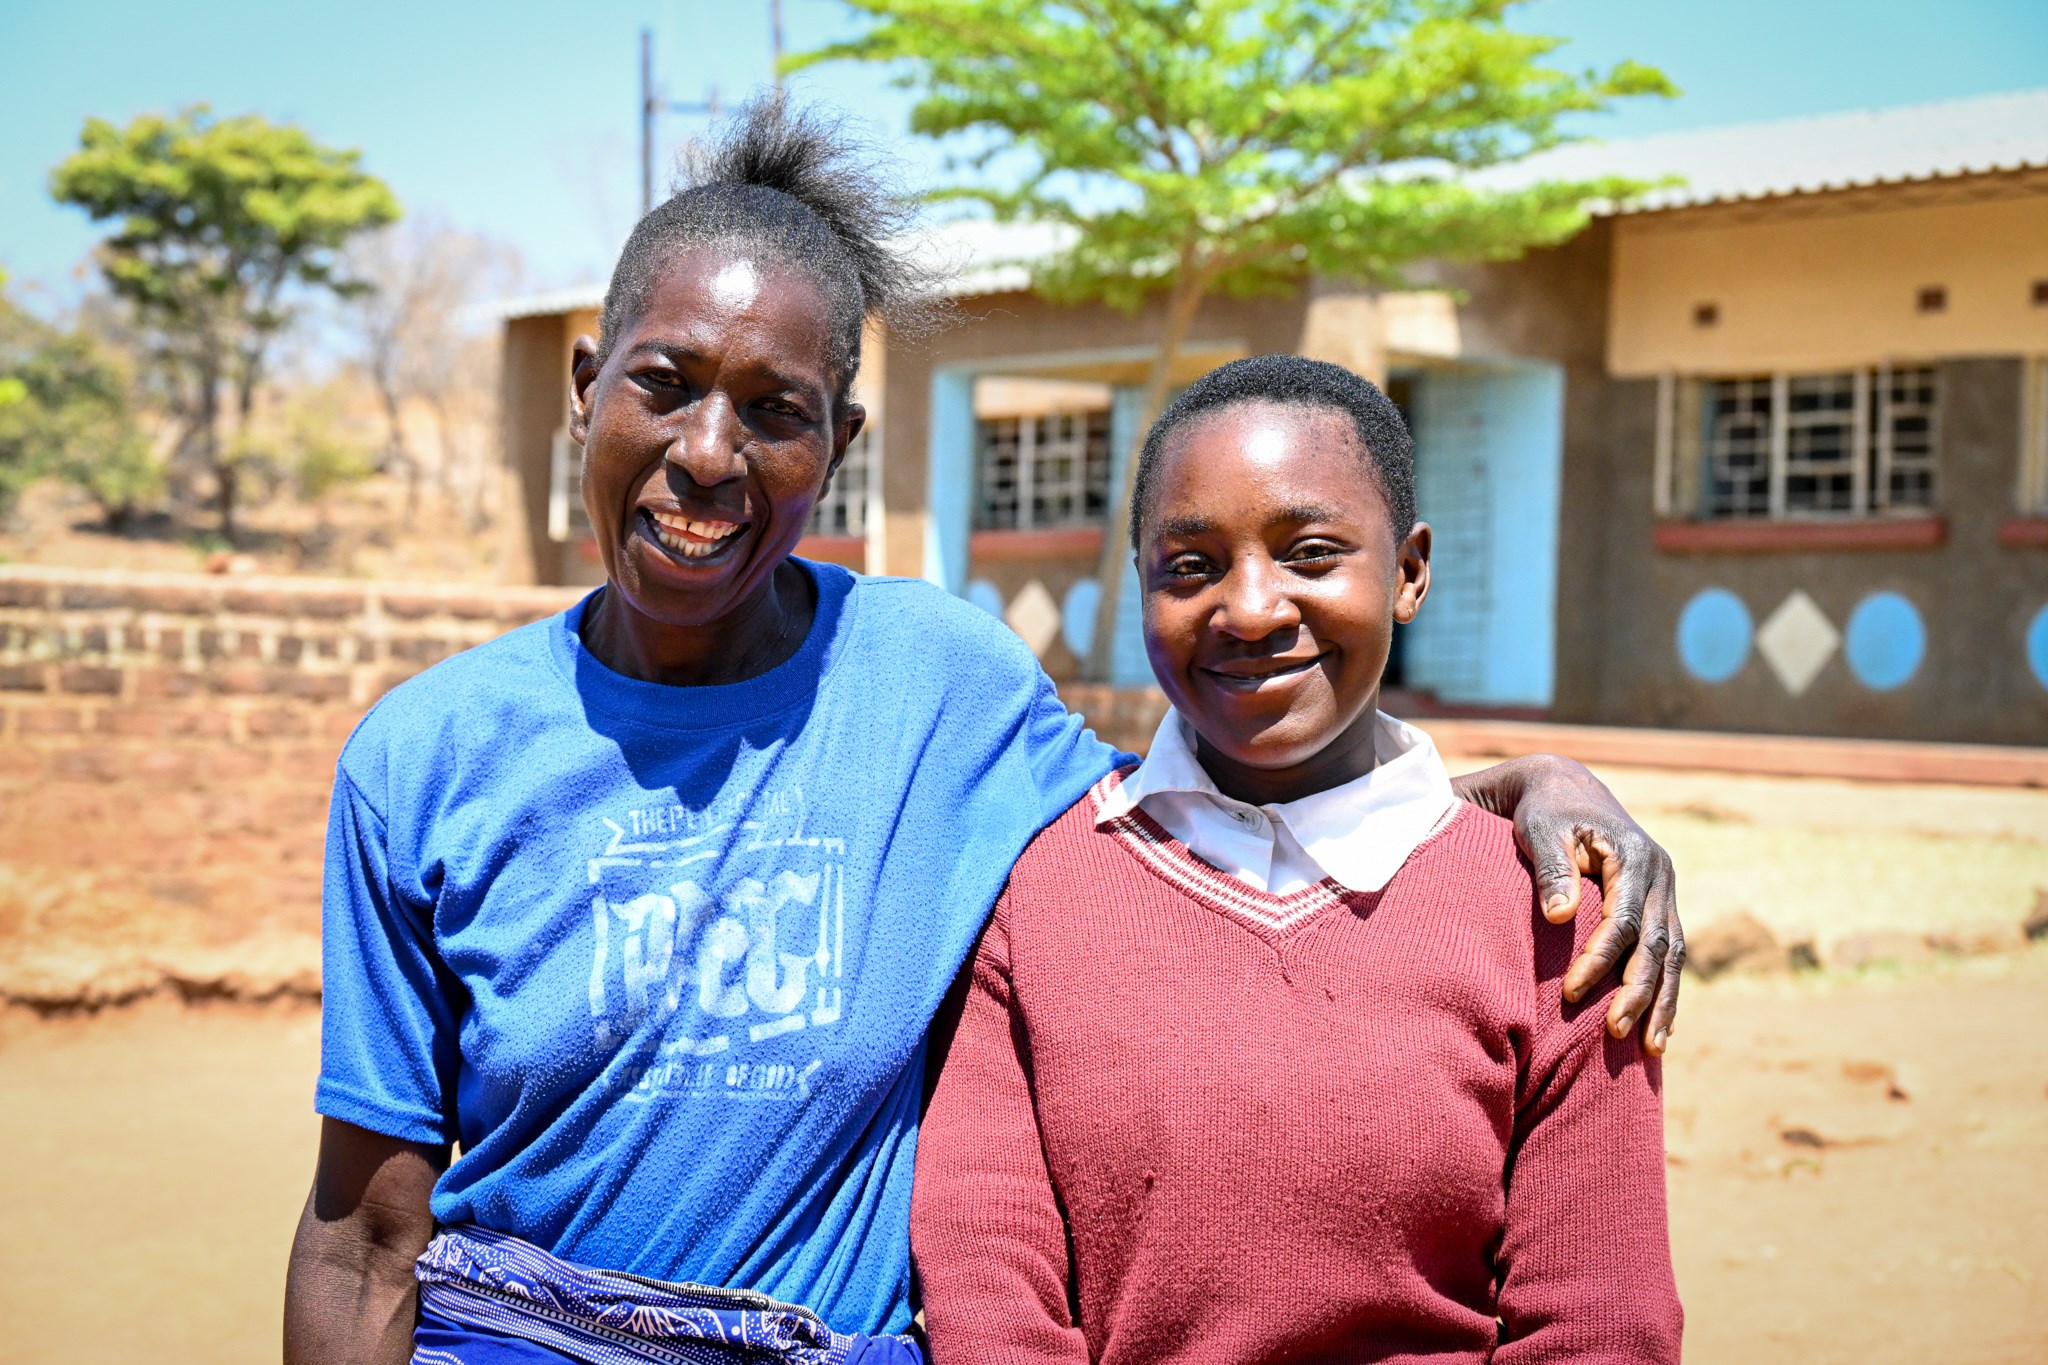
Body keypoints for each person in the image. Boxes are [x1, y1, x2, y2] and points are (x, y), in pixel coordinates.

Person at [284, 100, 1684, 1365]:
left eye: (775, 413)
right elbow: (361, 1238)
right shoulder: (425, 760)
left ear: (838, 442)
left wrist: (1518, 791)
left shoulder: (938, 683)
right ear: (587, 385)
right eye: (665, 382)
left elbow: (1222, 801)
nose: (710, 454)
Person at [911, 356, 1683, 1364]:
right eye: (1188, 566)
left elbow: (1598, 1326)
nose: (1251, 608)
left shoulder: (1552, 927)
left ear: (1407, 571)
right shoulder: (1043, 892)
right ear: (1140, 580)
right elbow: (986, 1284)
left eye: (1309, 553)